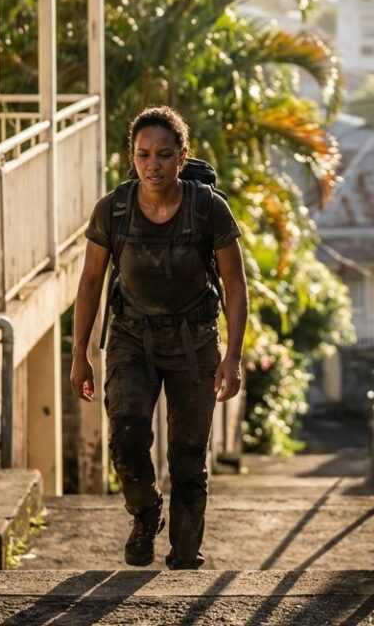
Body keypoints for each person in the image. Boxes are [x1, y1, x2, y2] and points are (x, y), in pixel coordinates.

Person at [69, 105, 247, 569]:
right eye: (144, 154)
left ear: (182, 156)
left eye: (165, 155)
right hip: (131, 337)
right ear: (132, 156)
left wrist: (233, 356)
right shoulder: (114, 209)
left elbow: (235, 283)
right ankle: (146, 513)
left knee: (188, 454)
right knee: (126, 434)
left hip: (194, 340)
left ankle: (186, 555)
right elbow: (90, 281)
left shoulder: (208, 209)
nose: (154, 165)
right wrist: (80, 353)